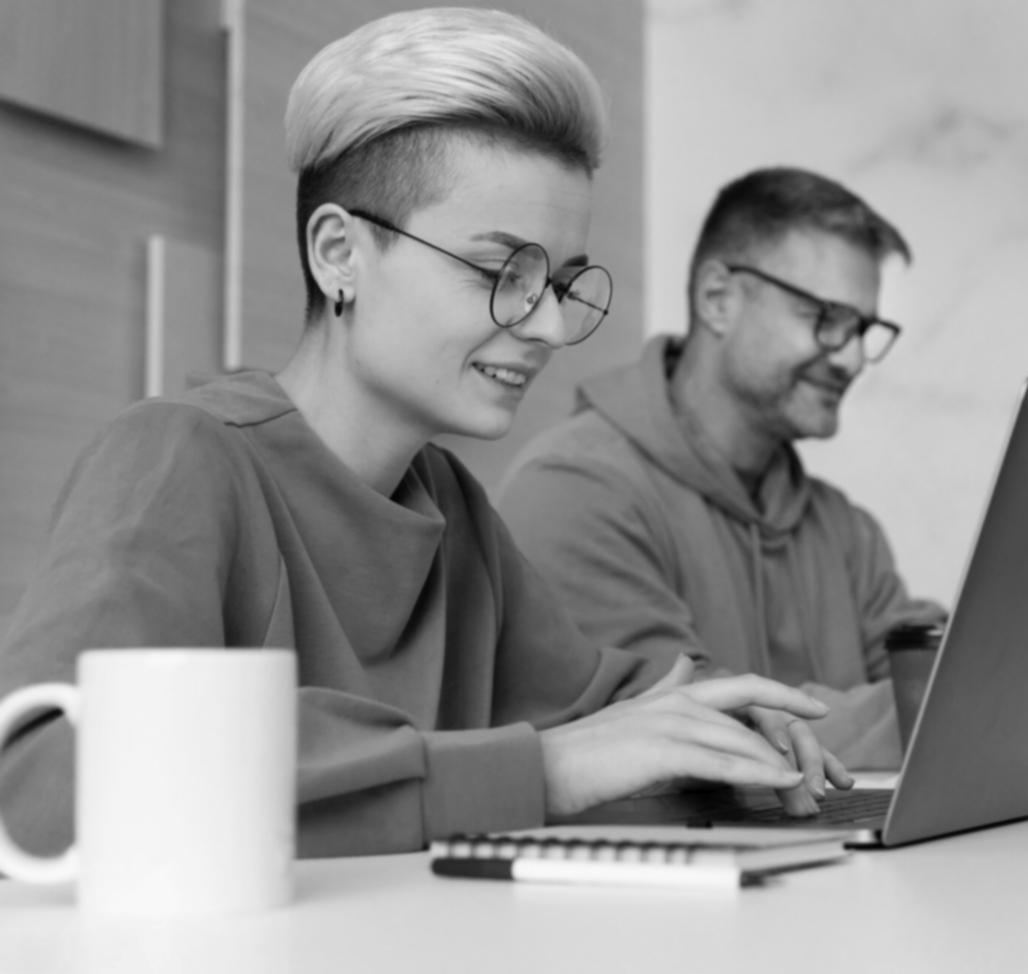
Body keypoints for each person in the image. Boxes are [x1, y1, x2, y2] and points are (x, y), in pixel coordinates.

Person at [0, 10, 850, 860]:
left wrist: (720, 710)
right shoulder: (176, 456)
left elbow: (601, 706)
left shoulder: (452, 507)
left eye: (560, 281)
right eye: (499, 272)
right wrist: (538, 773)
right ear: (339, 253)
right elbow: (39, 783)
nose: (549, 325)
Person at [497, 167, 1028, 770]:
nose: (848, 356)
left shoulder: (844, 530)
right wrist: (1021, 689)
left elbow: (931, 676)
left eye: (864, 330)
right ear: (718, 298)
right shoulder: (573, 492)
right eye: (826, 318)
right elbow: (692, 735)